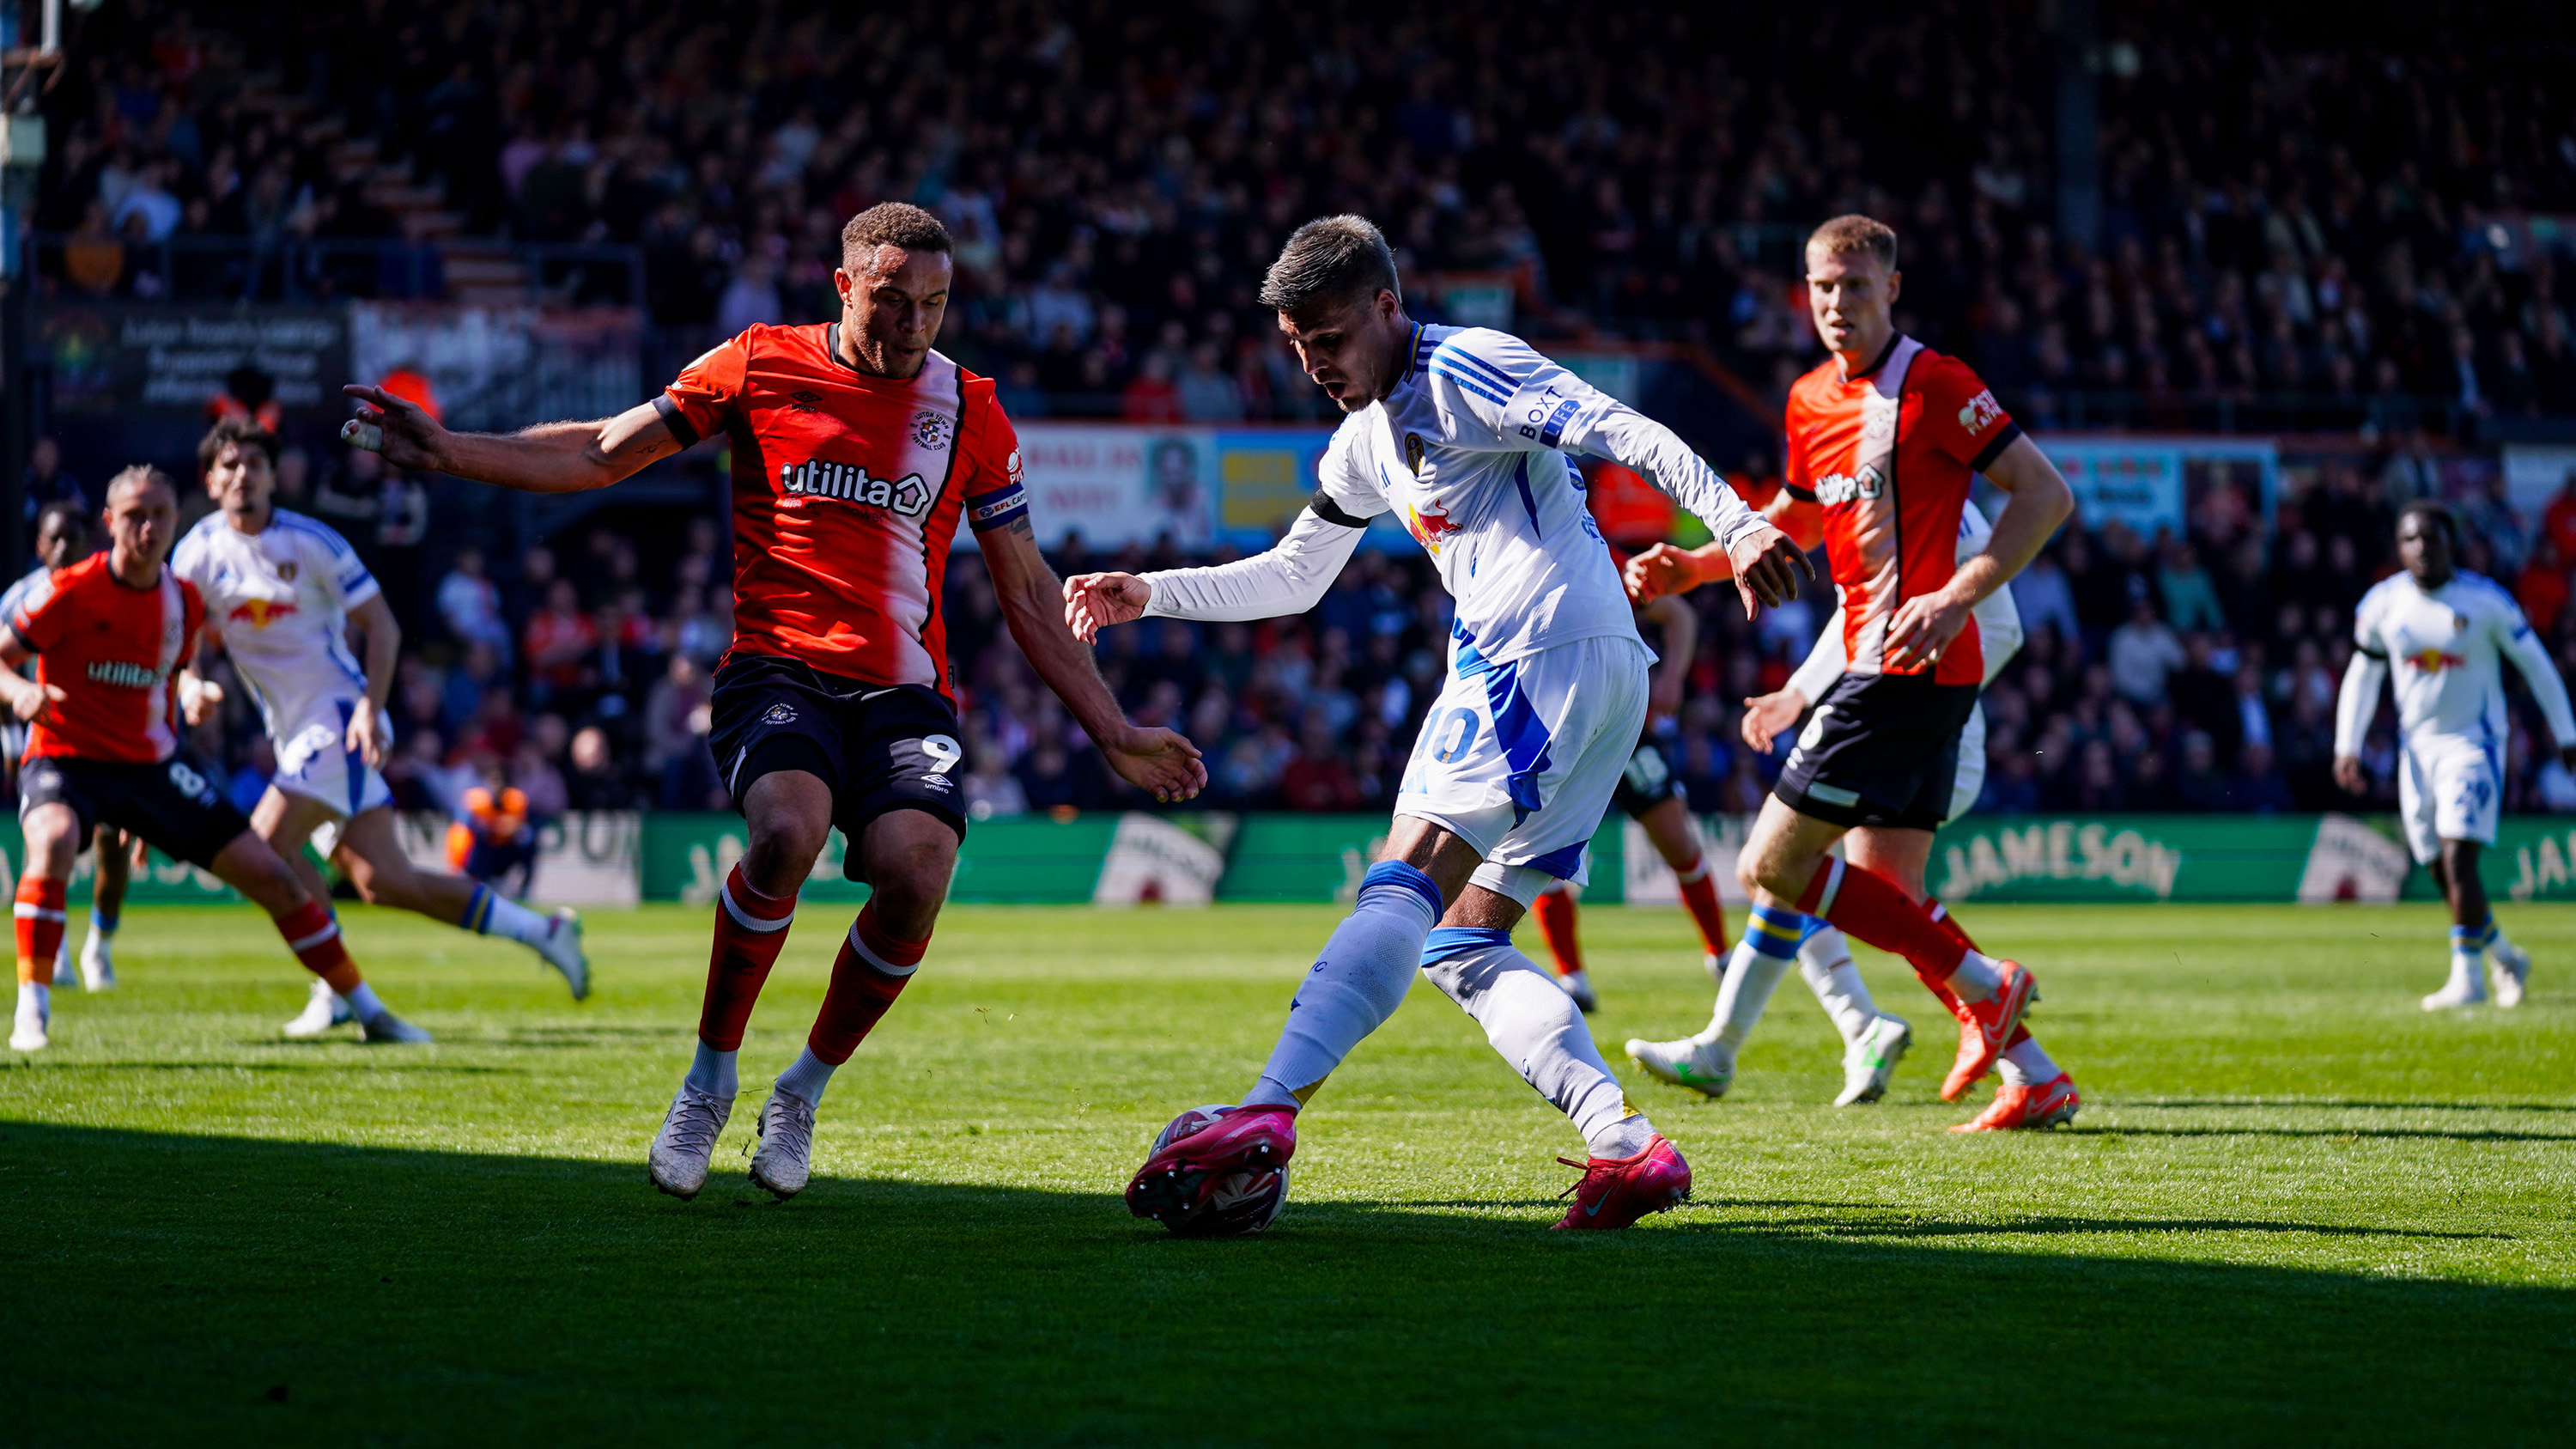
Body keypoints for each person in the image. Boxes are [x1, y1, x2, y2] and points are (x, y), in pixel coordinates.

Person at [343, 201, 1206, 1202]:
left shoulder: (971, 409)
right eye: (892, 299)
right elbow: (599, 452)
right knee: (788, 830)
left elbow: (1022, 587)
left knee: (918, 870)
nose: (914, 323)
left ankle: (800, 1090)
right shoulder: (757, 362)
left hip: (903, 688)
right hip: (778, 668)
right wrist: (449, 450)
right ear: (845, 286)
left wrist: (1116, 729)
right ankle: (710, 1074)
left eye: (934, 303)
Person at [1065, 215, 1809, 1231]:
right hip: (1591, 676)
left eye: (1329, 336)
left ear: (1386, 306)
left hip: (1531, 655)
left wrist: (1738, 518)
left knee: (1402, 878)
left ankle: (1266, 1112)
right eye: (1296, 345)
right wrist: (1149, 592)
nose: (1315, 363)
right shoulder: (1363, 440)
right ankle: (1626, 1145)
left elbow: (1617, 427)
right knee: (1461, 941)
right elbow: (1293, 574)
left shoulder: (1466, 368)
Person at [1630, 215, 2075, 1128]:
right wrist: (1698, 567)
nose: (1837, 304)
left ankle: (1988, 988)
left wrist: (1957, 595)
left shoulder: (1938, 384)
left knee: (1770, 865)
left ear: (1892, 288)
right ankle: (2034, 1072)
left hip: (1903, 665)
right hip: (1908, 671)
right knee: (1886, 883)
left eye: (1856, 287)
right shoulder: (1807, 400)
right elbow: (1795, 513)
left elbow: (2046, 494)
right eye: (1823, 288)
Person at [1625, 496, 2082, 1129]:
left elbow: (1998, 614)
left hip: (1918, 703)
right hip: (1906, 697)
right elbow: (1814, 538)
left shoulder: (1911, 440)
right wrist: (1712, 573)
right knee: (1825, 874)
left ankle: (1936, 1010)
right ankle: (2024, 1067)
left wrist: (1924, 697)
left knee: (1783, 864)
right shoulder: (1849, 437)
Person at [173, 417, 589, 1038]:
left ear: (273, 476)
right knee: (385, 882)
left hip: (340, 720)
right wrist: (188, 682)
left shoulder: (313, 543)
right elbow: (181, 640)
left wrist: (371, 705)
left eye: (254, 465)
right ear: (210, 480)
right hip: (294, 736)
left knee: (262, 848)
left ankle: (334, 986)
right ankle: (543, 930)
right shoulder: (197, 553)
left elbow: (384, 627)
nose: (242, 476)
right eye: (229, 466)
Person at [2, 468, 428, 1051]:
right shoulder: (67, 589)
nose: (148, 527)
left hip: (150, 768)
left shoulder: (183, 601)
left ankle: (370, 1011)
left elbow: (167, 691)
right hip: (65, 756)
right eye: (133, 515)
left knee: (273, 875)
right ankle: (33, 1010)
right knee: (50, 841)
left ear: (176, 520)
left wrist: (178, 727)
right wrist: (21, 691)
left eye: (160, 514)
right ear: (109, 521)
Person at [2335, 500, 2576, 1009]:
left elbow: (2537, 666)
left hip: (2475, 743)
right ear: (2399, 547)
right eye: (2411, 539)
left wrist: (2567, 733)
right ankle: (2506, 957)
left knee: (2457, 855)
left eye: (2432, 537)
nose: (2422, 548)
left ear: (2451, 543)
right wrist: (2347, 745)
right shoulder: (2383, 605)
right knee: (2440, 869)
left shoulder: (2486, 602)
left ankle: (2467, 979)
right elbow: (2364, 673)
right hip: (2416, 750)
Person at [1524, 586, 1742, 1014]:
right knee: (1548, 855)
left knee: (1679, 845)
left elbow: (1679, 613)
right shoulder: (1525, 571)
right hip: (1566, 738)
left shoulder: (1599, 561)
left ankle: (1721, 958)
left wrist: (1672, 677)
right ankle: (1573, 978)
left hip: (1629, 733)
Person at [2, 501, 133, 991]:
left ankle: (100, 944)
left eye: (71, 540)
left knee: (112, 845)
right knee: (49, 841)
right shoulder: (21, 598)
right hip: (44, 742)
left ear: (89, 543)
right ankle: (51, 956)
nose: (62, 548)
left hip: (110, 741)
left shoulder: (112, 590)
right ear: (39, 545)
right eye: (53, 539)